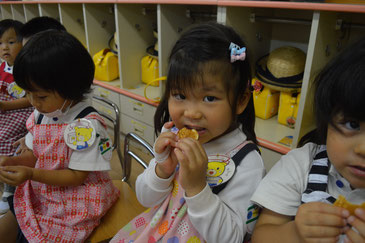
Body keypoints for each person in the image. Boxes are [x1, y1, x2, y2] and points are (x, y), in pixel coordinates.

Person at [110, 22, 265, 243]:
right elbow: (145, 198)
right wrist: (162, 169)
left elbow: (231, 238)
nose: (191, 113)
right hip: (158, 229)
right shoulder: (174, 135)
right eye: (180, 96)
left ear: (240, 100)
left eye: (209, 98)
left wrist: (197, 187)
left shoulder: (247, 163)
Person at [0, 30, 119, 242]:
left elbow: (76, 177)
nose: (33, 102)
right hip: (46, 188)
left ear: (70, 87)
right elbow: (37, 155)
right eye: (28, 94)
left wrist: (29, 174)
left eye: (41, 96)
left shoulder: (85, 126)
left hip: (78, 197)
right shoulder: (43, 112)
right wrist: (13, 161)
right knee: (14, 218)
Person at [251, 37, 365, 243]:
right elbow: (261, 235)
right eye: (352, 124)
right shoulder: (301, 165)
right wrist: (295, 233)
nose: (363, 149)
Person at [0, 19, 33, 215]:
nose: (5, 48)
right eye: (1, 43)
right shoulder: (3, 67)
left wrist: (5, 105)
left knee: (6, 138)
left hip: (22, 111)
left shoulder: (27, 68)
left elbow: (32, 100)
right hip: (5, 108)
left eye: (11, 42)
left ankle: (9, 190)